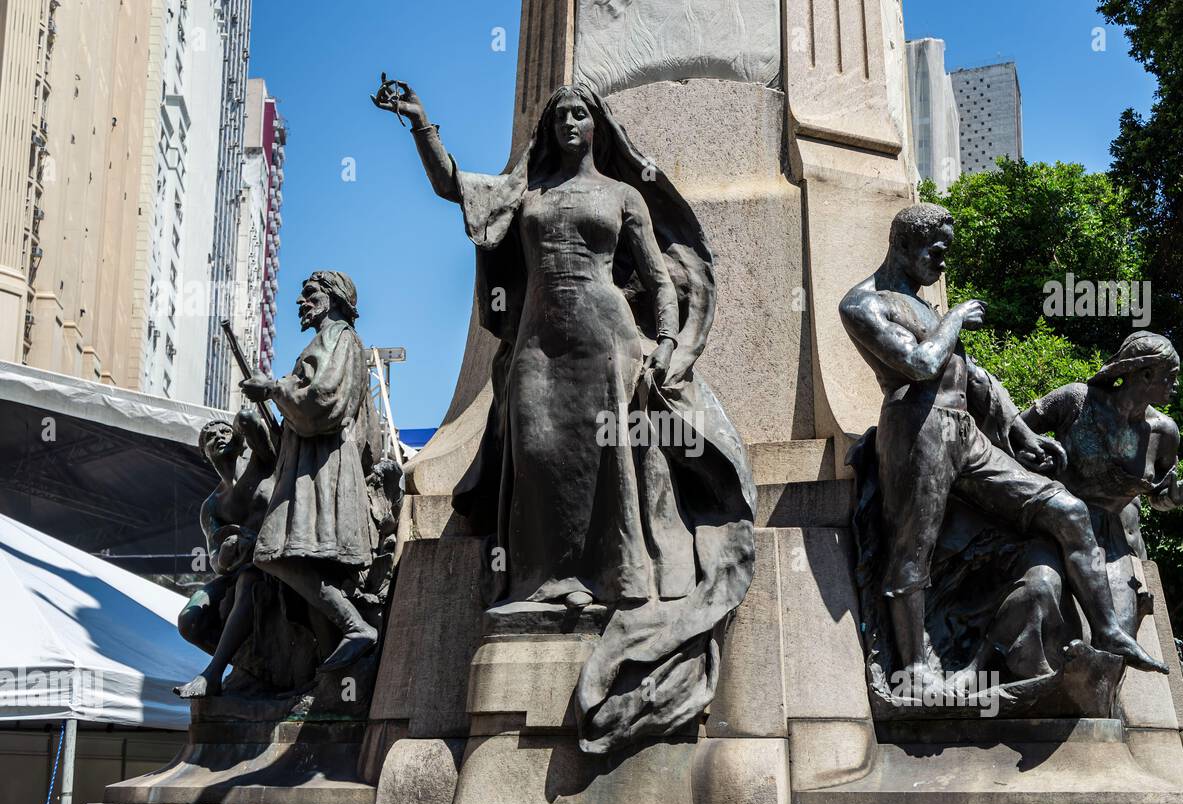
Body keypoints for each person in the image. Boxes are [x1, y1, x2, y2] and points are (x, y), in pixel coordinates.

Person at [373, 78, 755, 754]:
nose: (569, 123)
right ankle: (542, 583)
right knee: (538, 454)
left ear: (597, 126)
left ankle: (611, 581)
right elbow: (456, 188)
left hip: (610, 337)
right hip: (538, 341)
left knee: (609, 460)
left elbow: (658, 278)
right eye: (559, 116)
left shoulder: (622, 195)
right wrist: (420, 125)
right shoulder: (530, 196)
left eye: (580, 114)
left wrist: (667, 345)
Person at [839, 203, 1167, 698]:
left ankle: (1108, 630)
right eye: (936, 251)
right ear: (902, 244)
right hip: (916, 431)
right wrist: (954, 317)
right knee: (913, 552)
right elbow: (919, 363)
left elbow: (973, 379)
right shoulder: (864, 304)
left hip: (963, 431)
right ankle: (915, 670)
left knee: (1068, 509)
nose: (942, 263)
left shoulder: (925, 306)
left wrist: (1021, 432)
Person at [239, 271, 387, 672]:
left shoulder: (341, 338)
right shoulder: (324, 340)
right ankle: (328, 667)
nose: (301, 302)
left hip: (322, 468)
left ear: (334, 298)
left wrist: (272, 389)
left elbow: (324, 399)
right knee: (303, 561)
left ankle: (356, 628)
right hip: (306, 466)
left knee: (273, 553)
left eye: (310, 294)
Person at [1020, 332, 1183, 636]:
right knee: (1039, 597)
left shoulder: (1165, 433)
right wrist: (1036, 455)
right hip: (1055, 527)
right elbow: (1011, 433)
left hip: (1113, 543)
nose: (1176, 385)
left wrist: (1175, 497)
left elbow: (1157, 496)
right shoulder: (1076, 400)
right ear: (1145, 373)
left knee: (1117, 635)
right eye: (1170, 376)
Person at [175, 411, 275, 697]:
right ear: (205, 454)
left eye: (223, 432)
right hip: (240, 566)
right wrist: (227, 552)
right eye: (209, 437)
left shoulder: (263, 464)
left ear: (239, 440)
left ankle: (213, 674)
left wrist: (243, 422)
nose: (217, 437)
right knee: (189, 621)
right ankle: (250, 667)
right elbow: (217, 562)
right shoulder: (212, 506)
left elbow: (255, 424)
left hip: (276, 558)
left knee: (248, 583)